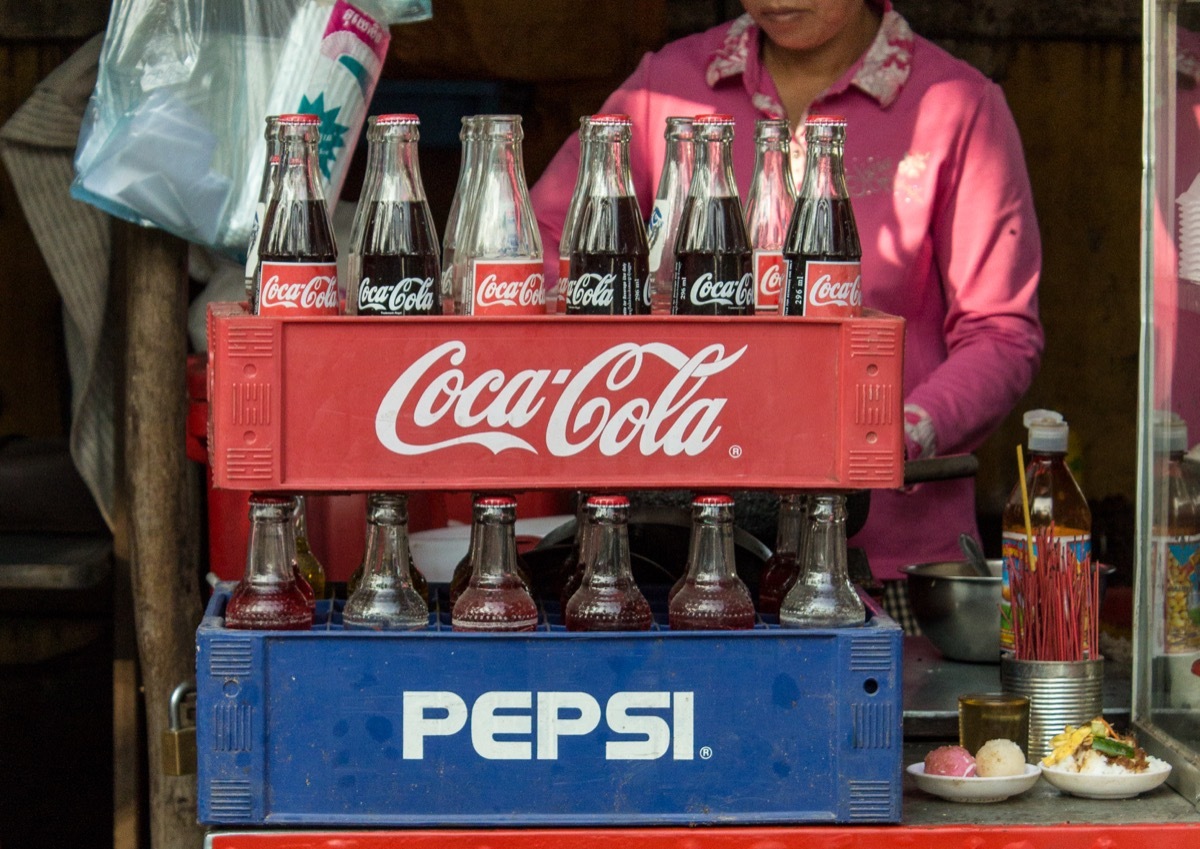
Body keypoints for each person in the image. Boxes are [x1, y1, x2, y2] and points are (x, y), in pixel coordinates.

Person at [528, 0, 1044, 629]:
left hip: (882, 561)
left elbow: (999, 333)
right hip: (673, 556)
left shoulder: (955, 106)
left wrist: (891, 433)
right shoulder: (666, 88)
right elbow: (541, 250)